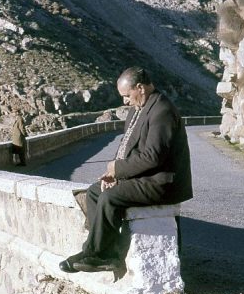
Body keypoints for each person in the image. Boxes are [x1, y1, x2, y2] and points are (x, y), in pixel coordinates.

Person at [60, 66, 192, 273]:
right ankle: (106, 250)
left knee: (109, 197)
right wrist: (112, 173)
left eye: (127, 95)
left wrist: (118, 170)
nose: (125, 101)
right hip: (145, 178)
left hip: (162, 182)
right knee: (95, 191)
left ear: (140, 88)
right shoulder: (137, 110)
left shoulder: (162, 110)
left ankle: (98, 254)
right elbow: (126, 147)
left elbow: (153, 157)